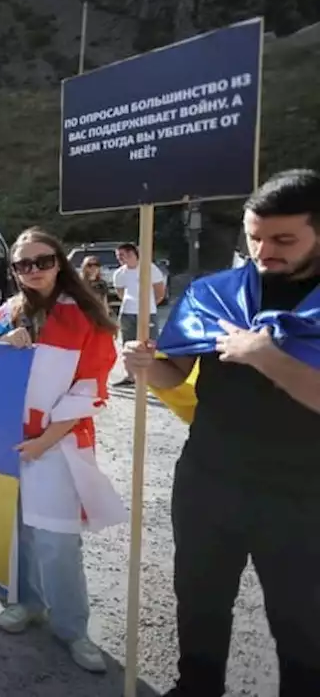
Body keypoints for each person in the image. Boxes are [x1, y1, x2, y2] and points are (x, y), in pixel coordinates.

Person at [123, 170, 320, 697]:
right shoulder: (215, 294)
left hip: (302, 495)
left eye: (284, 239)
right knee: (200, 603)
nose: (264, 250)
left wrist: (265, 356)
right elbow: (175, 373)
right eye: (255, 236)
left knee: (301, 625)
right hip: (209, 480)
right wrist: (145, 365)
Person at [0, 228, 121, 674]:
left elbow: (90, 390)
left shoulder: (86, 317)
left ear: (59, 261)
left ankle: (72, 628)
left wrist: (44, 441)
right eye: (22, 265)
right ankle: (28, 601)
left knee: (58, 540)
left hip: (59, 445)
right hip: (12, 439)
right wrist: (1, 344)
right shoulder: (9, 312)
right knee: (20, 532)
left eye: (41, 261)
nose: (33, 271)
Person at [112, 241, 165, 387]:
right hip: (128, 313)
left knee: (149, 344)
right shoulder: (119, 273)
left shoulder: (149, 268)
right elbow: (120, 293)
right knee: (128, 344)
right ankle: (130, 376)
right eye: (119, 256)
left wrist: (149, 305)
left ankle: (149, 376)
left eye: (124, 254)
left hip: (148, 312)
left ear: (133, 254)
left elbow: (160, 292)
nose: (121, 258)